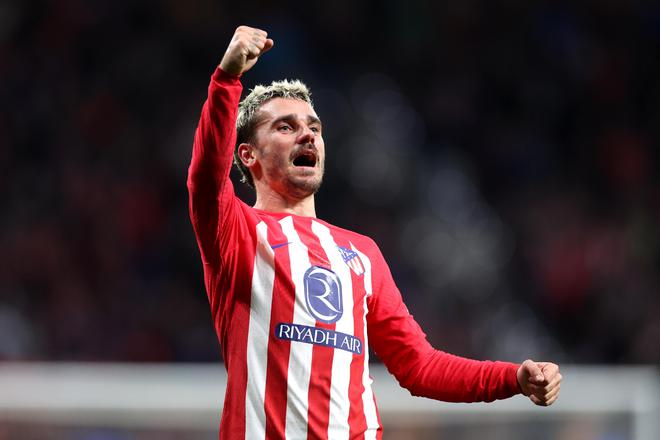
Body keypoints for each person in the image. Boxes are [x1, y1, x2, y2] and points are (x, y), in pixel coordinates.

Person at [187, 25, 562, 440]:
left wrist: (513, 378)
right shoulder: (239, 232)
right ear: (248, 154)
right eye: (285, 127)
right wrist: (227, 79)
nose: (307, 134)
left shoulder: (361, 252)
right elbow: (206, 182)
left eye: (314, 127)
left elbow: (419, 366)